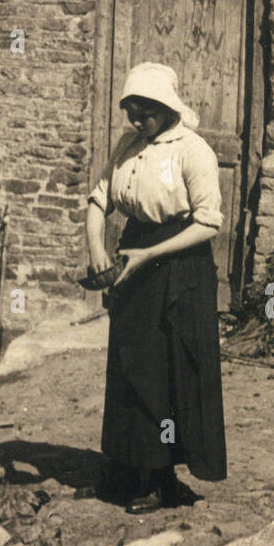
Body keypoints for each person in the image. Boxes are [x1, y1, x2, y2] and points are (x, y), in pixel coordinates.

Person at [84, 62, 228, 512]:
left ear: (166, 108)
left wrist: (149, 255)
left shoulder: (193, 151)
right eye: (132, 113)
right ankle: (130, 466)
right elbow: (99, 199)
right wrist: (97, 251)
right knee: (131, 365)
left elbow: (209, 223)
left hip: (179, 266)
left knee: (168, 370)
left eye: (145, 113)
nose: (138, 122)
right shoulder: (129, 146)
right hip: (134, 256)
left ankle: (161, 478)